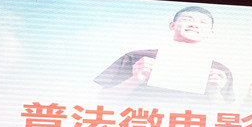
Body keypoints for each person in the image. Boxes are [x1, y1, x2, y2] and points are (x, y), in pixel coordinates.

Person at [94, 6, 234, 103]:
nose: (194, 25)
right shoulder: (136, 57)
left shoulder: (220, 70)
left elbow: (228, 115)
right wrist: (135, 80)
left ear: (210, 32)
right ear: (172, 25)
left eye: (202, 22)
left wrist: (215, 93)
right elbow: (102, 101)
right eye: (187, 19)